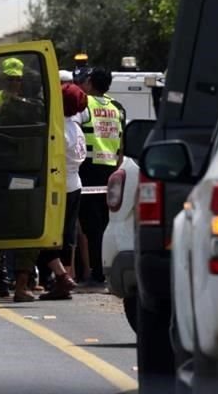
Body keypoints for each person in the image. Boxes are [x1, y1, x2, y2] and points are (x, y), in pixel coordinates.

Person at [38, 83, 88, 300]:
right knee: (67, 235)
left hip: (58, 186)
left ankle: (61, 277)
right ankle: (64, 277)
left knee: (45, 234)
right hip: (75, 184)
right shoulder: (76, 128)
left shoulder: (58, 129)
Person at [76, 66, 124, 286]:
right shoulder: (117, 108)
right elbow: (121, 145)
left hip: (88, 170)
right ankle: (107, 268)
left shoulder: (85, 104)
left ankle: (97, 272)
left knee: (92, 225)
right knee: (106, 222)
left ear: (90, 83)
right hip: (111, 169)